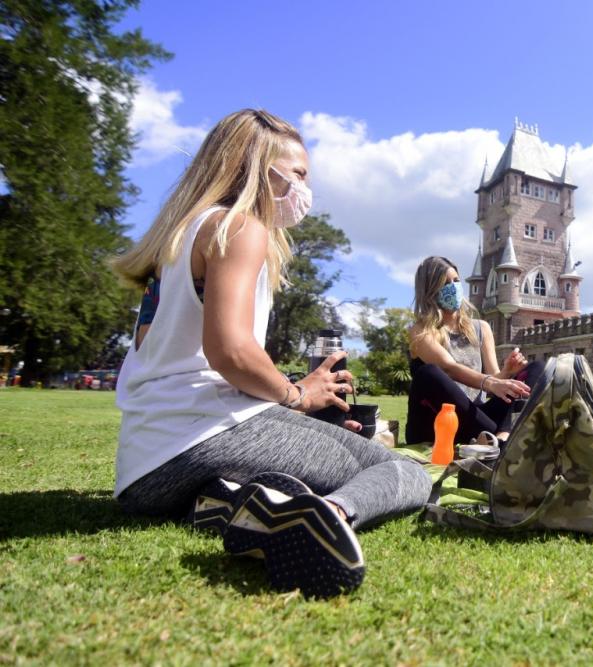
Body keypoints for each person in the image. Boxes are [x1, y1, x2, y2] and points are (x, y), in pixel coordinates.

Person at [110, 109, 430, 598]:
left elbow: (193, 358)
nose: (305, 188)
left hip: (142, 471)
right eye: (298, 174)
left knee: (319, 453)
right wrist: (297, 395)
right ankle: (328, 515)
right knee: (405, 469)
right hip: (203, 434)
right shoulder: (240, 227)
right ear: (257, 168)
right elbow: (231, 352)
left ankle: (227, 504)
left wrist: (293, 412)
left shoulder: (178, 238)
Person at [406, 256, 542, 446]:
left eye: (456, 281)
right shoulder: (419, 331)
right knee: (428, 373)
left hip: (475, 417)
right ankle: (498, 437)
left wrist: (507, 373)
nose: (453, 287)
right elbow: (448, 368)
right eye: (444, 283)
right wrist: (491, 383)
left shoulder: (481, 328)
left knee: (537, 367)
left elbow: (495, 380)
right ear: (430, 291)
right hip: (438, 422)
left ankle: (503, 437)